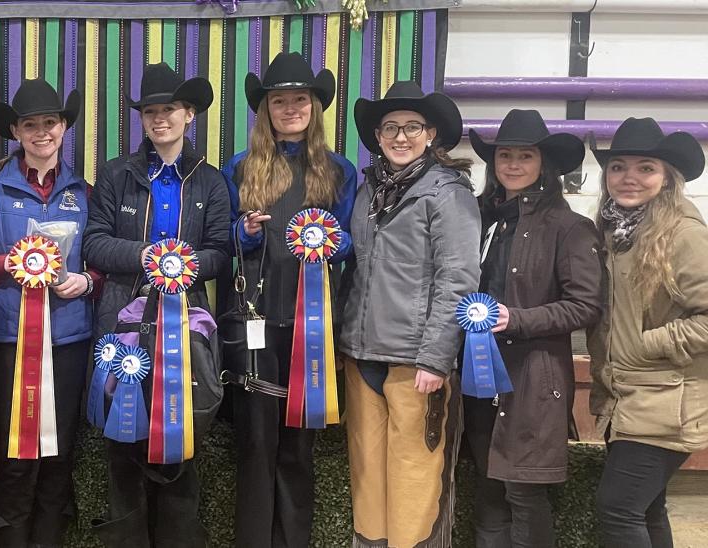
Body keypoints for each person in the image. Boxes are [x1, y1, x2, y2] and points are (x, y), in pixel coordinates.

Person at [83, 62, 232, 547]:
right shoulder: (114, 175)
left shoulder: (210, 181)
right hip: (121, 322)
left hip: (186, 327)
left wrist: (183, 263)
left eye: (168, 109)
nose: (158, 119)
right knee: (122, 444)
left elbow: (220, 252)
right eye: (150, 111)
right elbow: (94, 243)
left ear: (189, 114)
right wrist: (147, 257)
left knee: (182, 442)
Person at [220, 52, 358, 548]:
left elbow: (350, 242)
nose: (291, 107)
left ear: (315, 106)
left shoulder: (340, 170)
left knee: (299, 445)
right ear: (267, 109)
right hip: (254, 321)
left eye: (300, 99)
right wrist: (248, 231)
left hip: (311, 327)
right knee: (256, 444)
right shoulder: (239, 167)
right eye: (280, 100)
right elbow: (225, 241)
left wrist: (329, 241)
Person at [339, 81, 480, 548]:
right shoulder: (369, 192)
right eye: (391, 128)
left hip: (414, 363)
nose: (401, 136)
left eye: (412, 127)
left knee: (414, 480)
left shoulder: (447, 194)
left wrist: (436, 358)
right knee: (368, 475)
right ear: (378, 136)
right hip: (363, 355)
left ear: (431, 133)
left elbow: (458, 279)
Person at [0, 78, 96, 548]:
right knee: (14, 452)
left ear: (63, 128)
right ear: (16, 132)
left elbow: (97, 260)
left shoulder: (85, 192)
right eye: (30, 125)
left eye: (51, 123)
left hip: (69, 340)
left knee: (59, 453)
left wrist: (87, 280)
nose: (42, 132)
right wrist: (11, 264)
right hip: (8, 339)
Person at [465, 109, 604, 548]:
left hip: (534, 377)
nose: (512, 164)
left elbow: (585, 306)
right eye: (504, 155)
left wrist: (518, 319)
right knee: (488, 487)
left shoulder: (571, 228)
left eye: (524, 155)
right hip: (476, 375)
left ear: (543, 163)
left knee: (524, 493)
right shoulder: (483, 219)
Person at [588, 117, 708, 548]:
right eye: (618, 166)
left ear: (666, 177)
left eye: (645, 167)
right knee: (646, 508)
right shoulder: (614, 231)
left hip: (666, 398)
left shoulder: (683, 234)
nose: (629, 178)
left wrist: (647, 344)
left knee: (618, 510)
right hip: (631, 396)